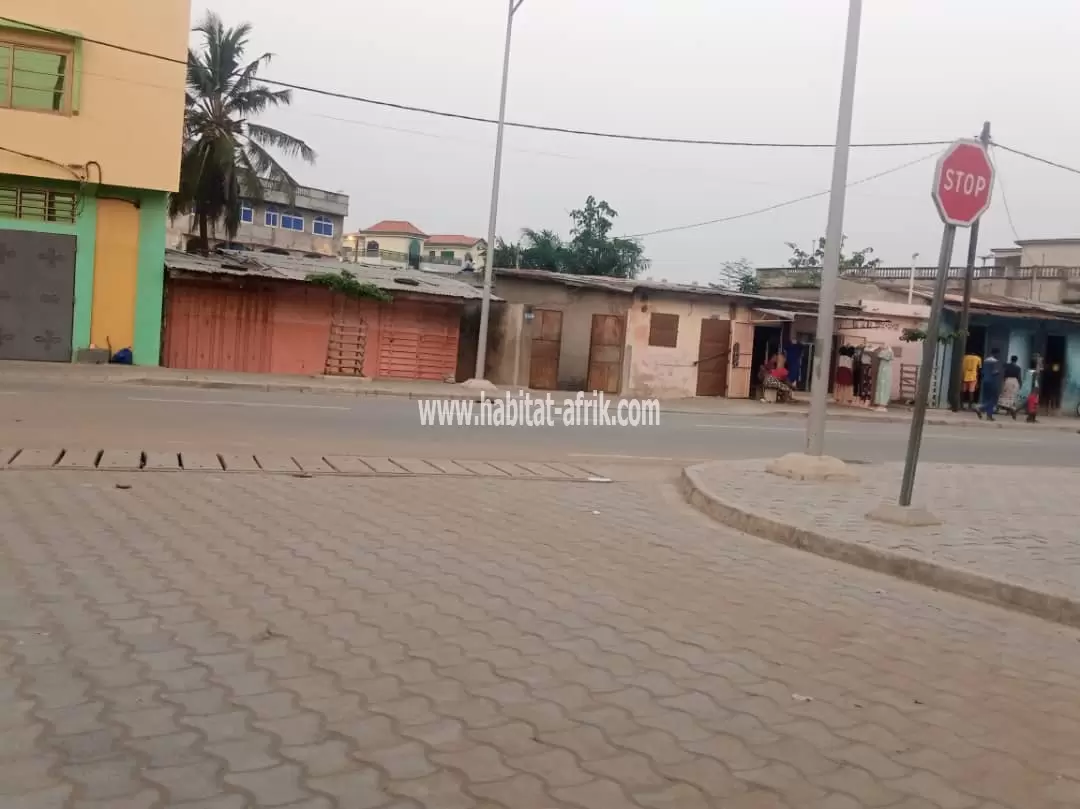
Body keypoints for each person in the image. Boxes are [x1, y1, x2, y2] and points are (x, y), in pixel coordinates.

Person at [976, 348, 1003, 421]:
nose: (999, 355)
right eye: (998, 354)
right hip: (992, 381)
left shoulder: (985, 361)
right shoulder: (995, 362)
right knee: (993, 399)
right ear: (996, 353)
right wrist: (999, 372)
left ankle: (989, 416)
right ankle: (980, 408)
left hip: (985, 381)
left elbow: (982, 372)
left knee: (987, 399)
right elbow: (995, 372)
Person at [999, 354, 1023, 420]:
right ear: (1016, 360)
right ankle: (1010, 411)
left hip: (1007, 380)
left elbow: (1003, 374)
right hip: (1014, 382)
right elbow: (1019, 377)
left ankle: (1007, 410)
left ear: (1011, 359)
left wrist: (1003, 381)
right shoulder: (1018, 368)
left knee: (1006, 396)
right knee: (1012, 397)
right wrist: (1021, 384)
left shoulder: (1006, 366)